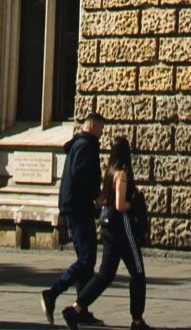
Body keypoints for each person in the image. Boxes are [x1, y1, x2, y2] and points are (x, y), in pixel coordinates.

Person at [63, 134, 148, 330]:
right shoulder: (122, 174)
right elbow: (119, 205)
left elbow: (103, 200)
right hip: (121, 225)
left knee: (105, 274)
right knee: (138, 271)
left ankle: (75, 308)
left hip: (108, 226)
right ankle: (137, 320)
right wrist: (134, 202)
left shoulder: (109, 172)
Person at [42, 110, 105, 325]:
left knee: (86, 260)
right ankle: (53, 293)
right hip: (78, 206)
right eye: (101, 129)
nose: (102, 134)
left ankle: (81, 309)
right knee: (87, 258)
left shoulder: (78, 144)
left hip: (73, 205)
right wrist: (96, 195)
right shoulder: (87, 145)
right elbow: (80, 174)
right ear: (93, 126)